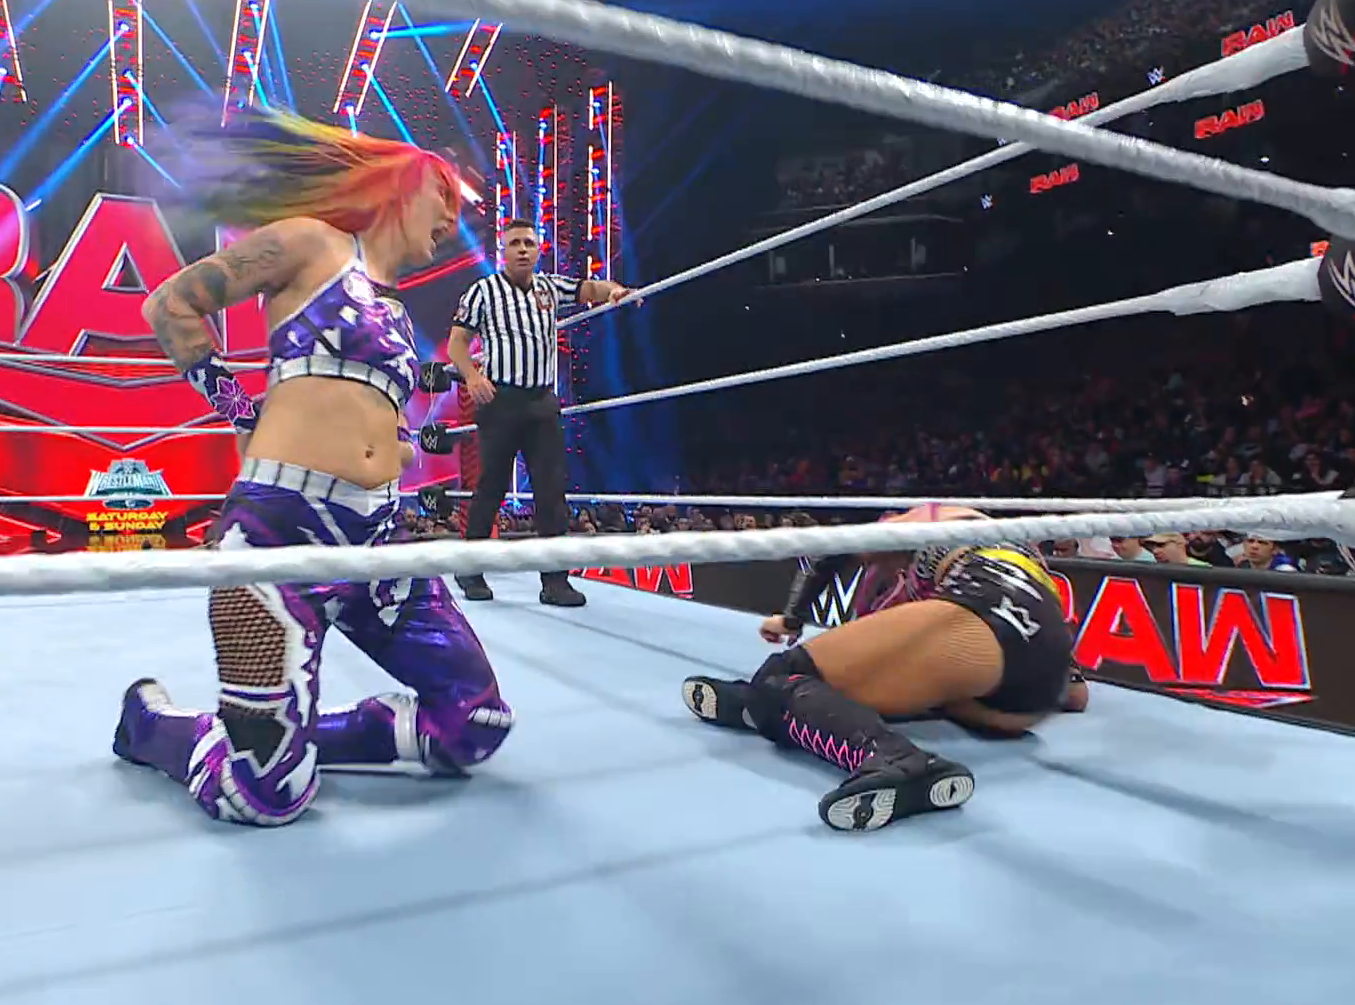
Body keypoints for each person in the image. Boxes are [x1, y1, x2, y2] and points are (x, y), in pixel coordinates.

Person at [111, 112, 513, 827]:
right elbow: (169, 305)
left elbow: (373, 422)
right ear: (404, 182)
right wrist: (241, 413)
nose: (454, 219)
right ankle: (152, 723)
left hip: (378, 543)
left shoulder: (395, 315)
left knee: (474, 724)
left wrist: (405, 446)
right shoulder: (312, 243)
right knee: (265, 800)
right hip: (279, 535)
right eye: (445, 195)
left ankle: (284, 738)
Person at [683, 505, 1086, 833]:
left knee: (781, 674)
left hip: (992, 613)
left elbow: (835, 549)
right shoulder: (1007, 551)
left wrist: (791, 618)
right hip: (1030, 693)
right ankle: (775, 705)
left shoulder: (932, 518)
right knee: (870, 679)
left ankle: (897, 760)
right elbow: (1076, 695)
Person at [446, 217, 637, 607]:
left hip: (543, 402)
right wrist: (472, 377)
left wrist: (615, 291)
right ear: (503, 250)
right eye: (515, 243)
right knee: (492, 487)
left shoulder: (550, 286)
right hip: (501, 401)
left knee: (551, 491)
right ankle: (470, 568)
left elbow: (589, 288)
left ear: (537, 250)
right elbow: (457, 344)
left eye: (528, 243)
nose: (522, 249)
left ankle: (555, 581)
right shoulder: (483, 291)